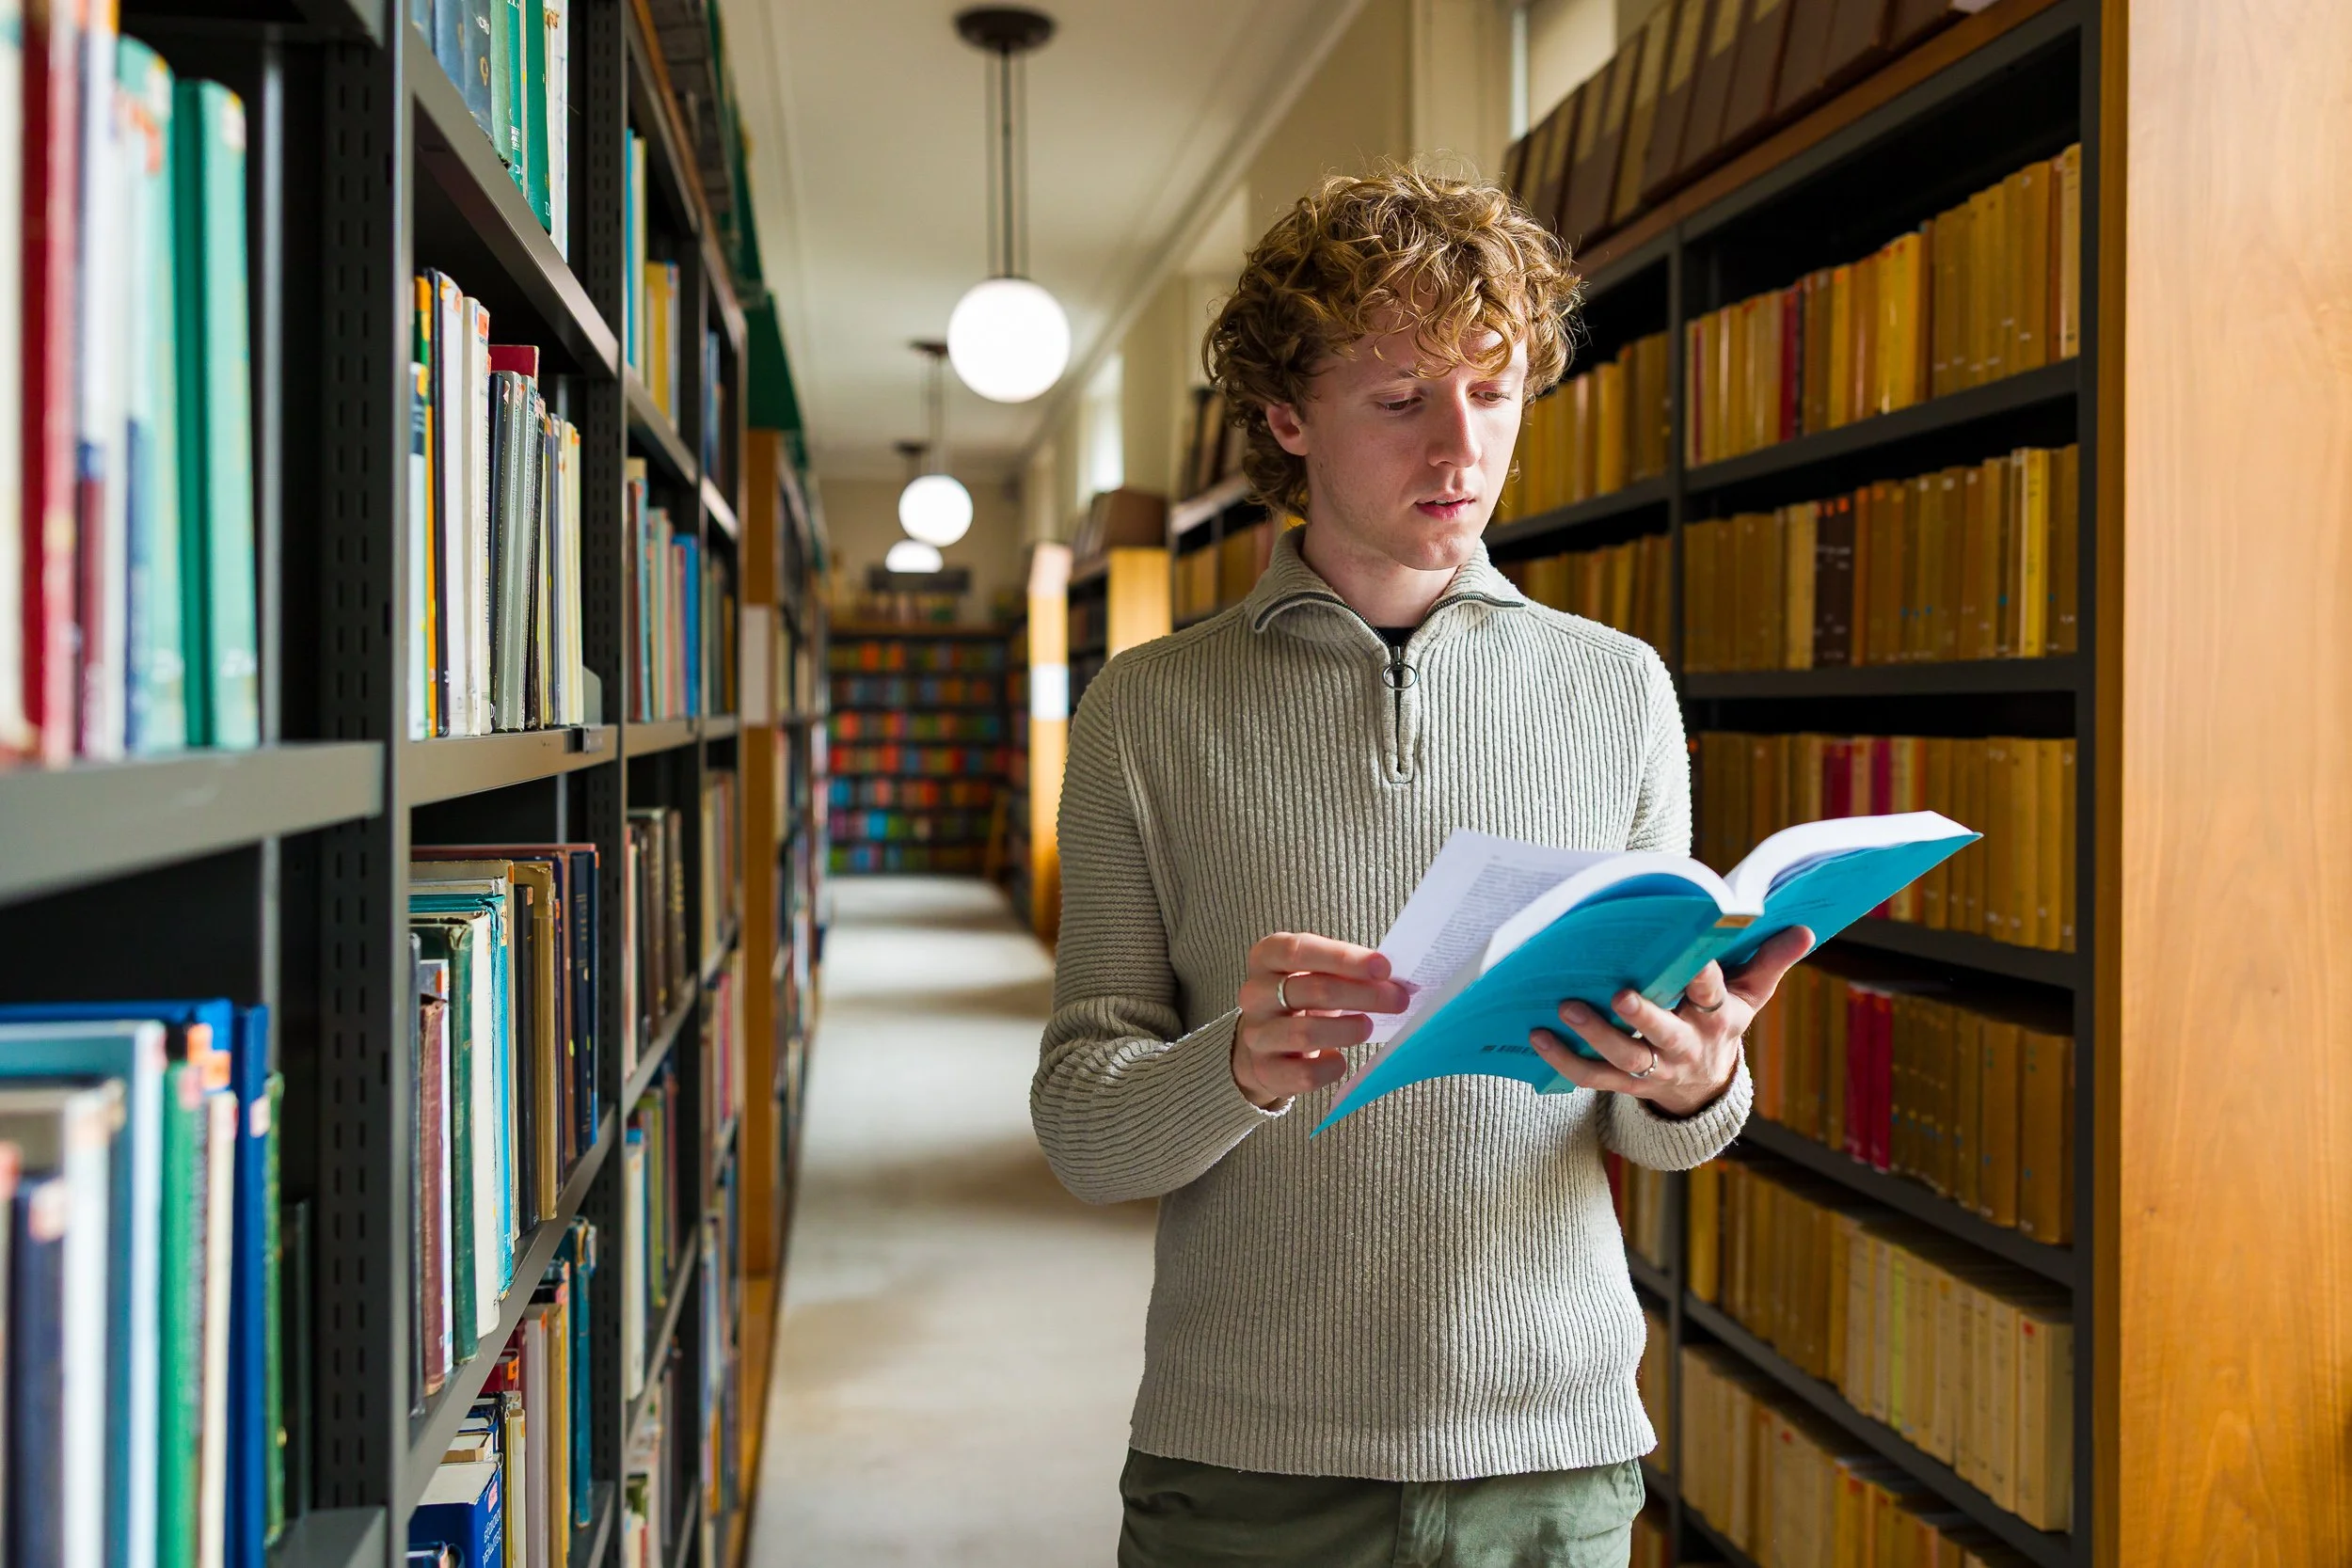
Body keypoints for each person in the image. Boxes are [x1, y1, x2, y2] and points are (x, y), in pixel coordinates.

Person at [1031, 163, 1813, 1567]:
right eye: (1400, 401)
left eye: (1493, 392)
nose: (1461, 449)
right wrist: (1236, 1064)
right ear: (1287, 418)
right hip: (1248, 1457)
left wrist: (1699, 1076)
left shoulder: (1620, 689)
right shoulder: (1144, 709)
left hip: (1550, 1452)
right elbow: (1084, 1125)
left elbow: (1654, 1122)